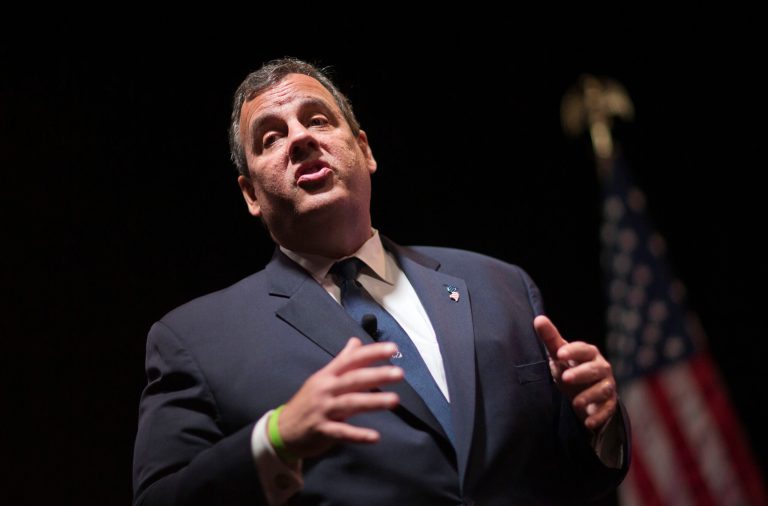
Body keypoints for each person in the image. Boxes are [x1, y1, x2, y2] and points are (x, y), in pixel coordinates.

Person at [132, 57, 629, 506]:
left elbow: (565, 476)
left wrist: (595, 421)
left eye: (317, 120)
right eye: (271, 138)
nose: (300, 138)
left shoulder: (498, 285)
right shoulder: (195, 339)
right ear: (250, 195)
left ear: (364, 150)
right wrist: (277, 438)